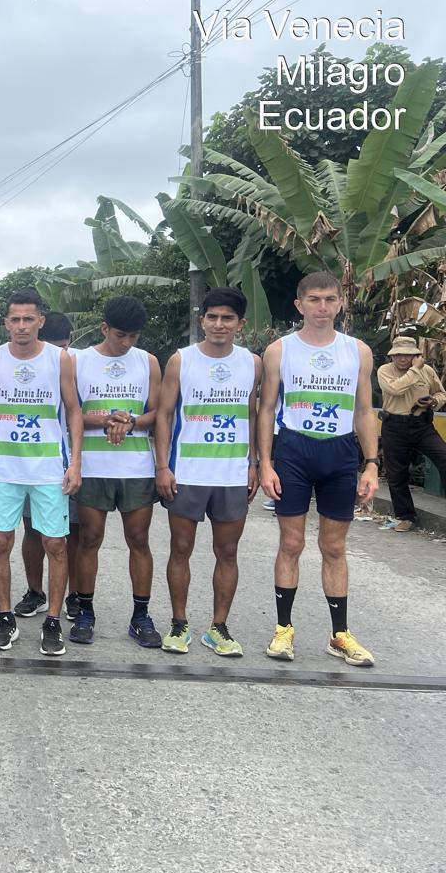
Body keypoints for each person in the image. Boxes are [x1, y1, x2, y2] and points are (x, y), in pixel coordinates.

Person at [259, 271, 379, 667]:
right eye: (314, 299)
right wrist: (265, 463)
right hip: (294, 451)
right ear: (299, 304)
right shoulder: (279, 350)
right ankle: (283, 630)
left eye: (329, 299)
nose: (322, 307)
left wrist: (371, 465)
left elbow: (364, 411)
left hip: (340, 454)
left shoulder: (358, 351)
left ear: (340, 303)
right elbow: (266, 409)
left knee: (334, 547)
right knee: (291, 543)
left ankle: (339, 635)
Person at [154, 288, 261, 657]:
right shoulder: (181, 360)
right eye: (212, 317)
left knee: (227, 551)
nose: (219, 324)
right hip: (187, 472)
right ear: (202, 321)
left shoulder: (253, 363)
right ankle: (178, 623)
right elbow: (165, 415)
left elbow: (251, 414)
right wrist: (163, 466)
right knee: (180, 548)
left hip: (232, 474)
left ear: (240, 324)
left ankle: (219, 627)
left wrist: (253, 463)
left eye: (227, 318)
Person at [0, 290, 82, 656]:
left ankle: (52, 620)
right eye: (15, 319)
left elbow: (73, 410)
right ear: (6, 323)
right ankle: (5, 617)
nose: (21, 326)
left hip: (48, 468)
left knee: (55, 544)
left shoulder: (59, 358)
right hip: (5, 468)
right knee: (1, 543)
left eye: (28, 319)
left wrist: (75, 463)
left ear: (40, 321)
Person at [70, 295, 163, 648]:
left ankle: (141, 616)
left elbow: (158, 413)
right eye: (120, 335)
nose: (126, 343)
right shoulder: (78, 361)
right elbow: (70, 412)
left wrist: (133, 421)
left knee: (138, 540)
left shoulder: (148, 362)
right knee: (89, 539)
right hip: (92, 465)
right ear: (104, 328)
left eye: (133, 337)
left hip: (136, 466)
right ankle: (85, 613)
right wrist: (105, 420)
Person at [17, 311, 84, 622]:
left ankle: (74, 595)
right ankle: (35, 592)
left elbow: (78, 411)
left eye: (64, 346)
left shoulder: (75, 362)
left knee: (71, 532)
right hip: (32, 462)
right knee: (32, 529)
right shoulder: (28, 361)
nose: (60, 352)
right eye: (54, 346)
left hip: (69, 462)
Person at [376, 336, 446, 533]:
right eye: (398, 354)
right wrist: (415, 369)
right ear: (392, 356)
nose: (402, 358)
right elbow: (395, 389)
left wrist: (433, 401)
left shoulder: (427, 371)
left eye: (407, 355)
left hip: (422, 425)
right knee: (396, 475)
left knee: (444, 458)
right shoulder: (384, 371)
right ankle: (406, 517)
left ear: (415, 355)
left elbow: (441, 393)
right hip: (394, 426)